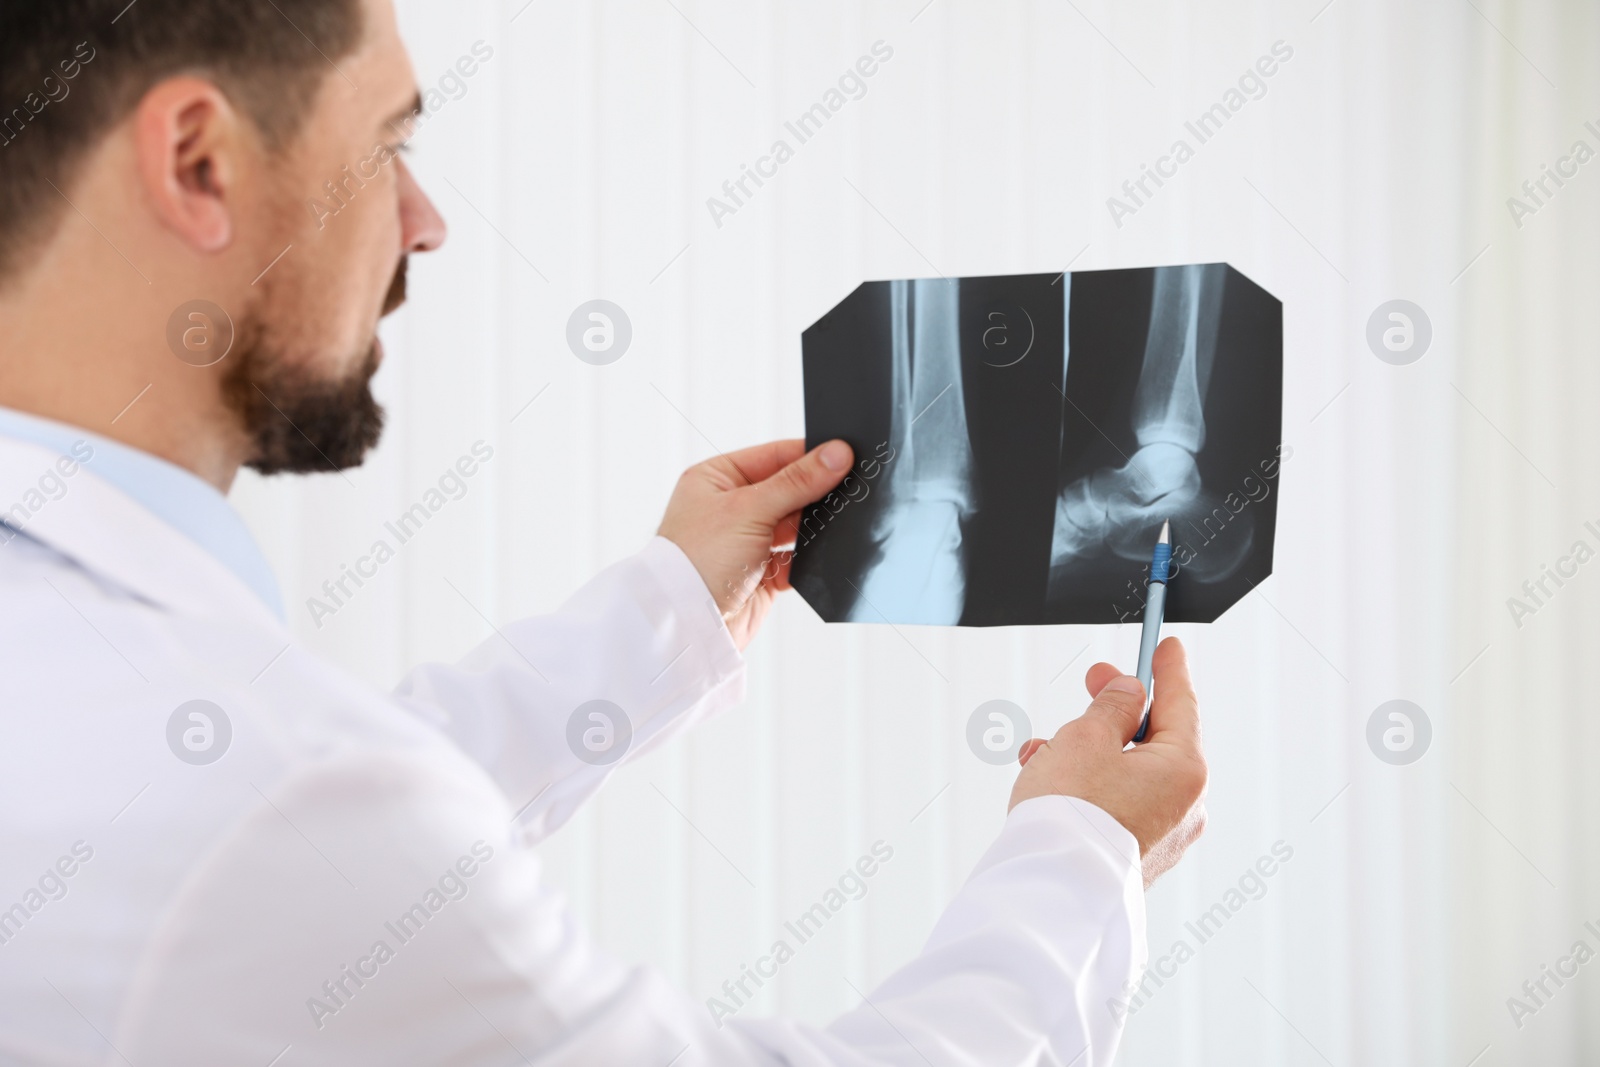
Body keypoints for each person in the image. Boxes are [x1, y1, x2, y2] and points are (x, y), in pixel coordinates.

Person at [0, 0, 1208, 1063]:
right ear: (199, 162)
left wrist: (665, 611)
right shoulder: (275, 808)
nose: (423, 222)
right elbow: (289, 836)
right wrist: (1079, 855)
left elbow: (269, 843)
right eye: (388, 145)